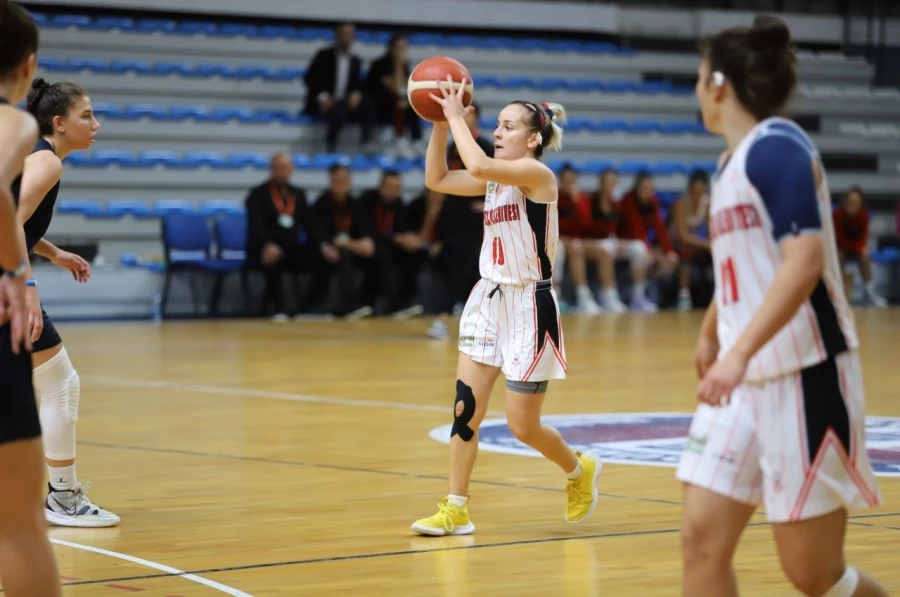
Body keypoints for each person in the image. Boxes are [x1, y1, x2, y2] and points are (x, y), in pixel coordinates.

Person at [676, 15, 886, 597]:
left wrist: (736, 353)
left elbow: (804, 261)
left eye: (698, 78)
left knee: (813, 575)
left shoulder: (779, 149)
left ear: (718, 84)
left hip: (806, 374)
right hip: (742, 380)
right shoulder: (728, 166)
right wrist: (711, 332)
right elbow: (745, 268)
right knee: (700, 538)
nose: (696, 90)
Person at [411, 78, 601, 536]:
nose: (498, 131)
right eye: (496, 124)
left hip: (531, 306)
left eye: (508, 126)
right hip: (489, 298)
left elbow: (474, 162)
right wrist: (440, 123)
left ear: (533, 139)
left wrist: (456, 117)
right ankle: (456, 508)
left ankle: (579, 470)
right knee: (465, 408)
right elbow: (435, 179)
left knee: (522, 427)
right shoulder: (493, 178)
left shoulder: (539, 176)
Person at [14, 77, 119, 528]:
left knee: (57, 381)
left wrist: (52, 251)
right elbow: (6, 225)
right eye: (86, 115)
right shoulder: (46, 163)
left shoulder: (36, 153)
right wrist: (27, 288)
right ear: (59, 123)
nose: (95, 124)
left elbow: (12, 218)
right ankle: (63, 498)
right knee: (60, 383)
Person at [0, 2, 64, 594]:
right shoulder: (18, 126)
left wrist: (43, 256)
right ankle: (66, 493)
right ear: (27, 65)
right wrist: (19, 276)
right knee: (19, 526)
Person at [244, 152, 325, 320]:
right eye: (279, 167)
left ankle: (307, 306)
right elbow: (256, 224)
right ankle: (275, 307)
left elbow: (310, 224)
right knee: (275, 257)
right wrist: (266, 243)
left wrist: (323, 245)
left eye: (286, 167)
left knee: (322, 259)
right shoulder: (258, 194)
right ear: (272, 169)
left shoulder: (298, 193)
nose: (283, 171)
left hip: (292, 247)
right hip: (264, 248)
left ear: (292, 169)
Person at [832, 187, 886, 307]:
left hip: (854, 248)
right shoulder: (837, 214)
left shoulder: (864, 215)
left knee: (865, 254)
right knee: (838, 255)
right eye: (850, 202)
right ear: (845, 202)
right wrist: (852, 246)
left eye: (856, 203)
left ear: (861, 204)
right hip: (841, 247)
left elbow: (863, 239)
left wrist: (856, 247)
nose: (853, 205)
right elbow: (838, 238)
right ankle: (839, 291)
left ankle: (869, 292)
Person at [670, 169, 713, 311]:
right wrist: (705, 244)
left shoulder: (707, 204)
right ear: (690, 190)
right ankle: (684, 295)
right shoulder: (681, 203)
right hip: (675, 242)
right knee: (686, 250)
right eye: (695, 191)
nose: (699, 195)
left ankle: (718, 293)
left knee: (717, 250)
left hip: (696, 241)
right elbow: (682, 235)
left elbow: (711, 231)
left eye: (702, 191)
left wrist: (710, 244)